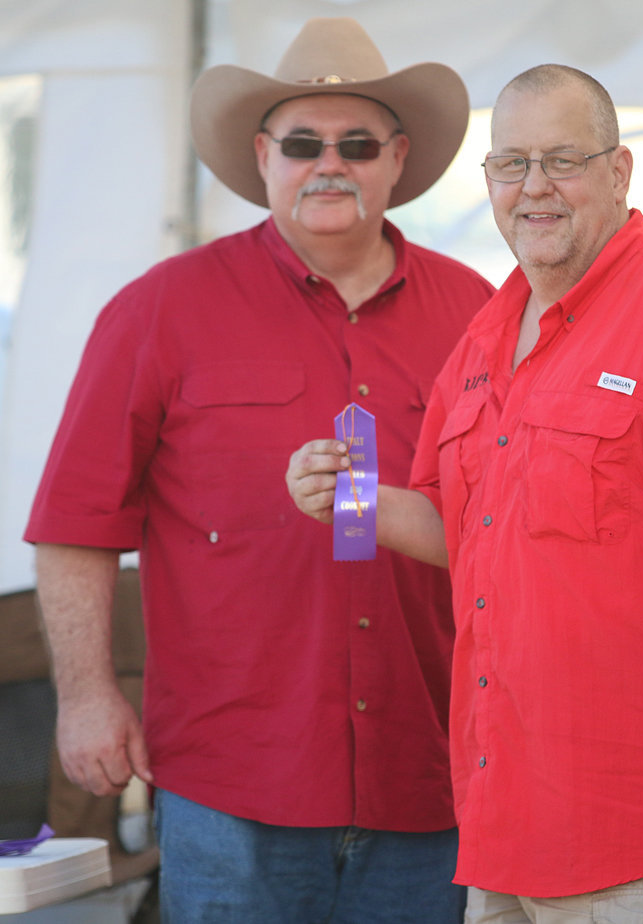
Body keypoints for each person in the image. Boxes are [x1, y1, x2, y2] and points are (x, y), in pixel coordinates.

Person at [287, 63, 643, 923]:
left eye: (562, 161)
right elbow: (465, 527)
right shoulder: (484, 335)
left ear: (618, 174)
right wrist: (347, 499)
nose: (534, 187)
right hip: (508, 824)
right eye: (511, 164)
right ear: (490, 182)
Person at [24, 17, 494, 923]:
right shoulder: (161, 309)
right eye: (303, 143)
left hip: (429, 774)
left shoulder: (477, 314)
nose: (332, 164)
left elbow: (508, 524)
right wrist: (85, 699)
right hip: (233, 783)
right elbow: (77, 521)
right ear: (262, 155)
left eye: (358, 144)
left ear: (397, 158)